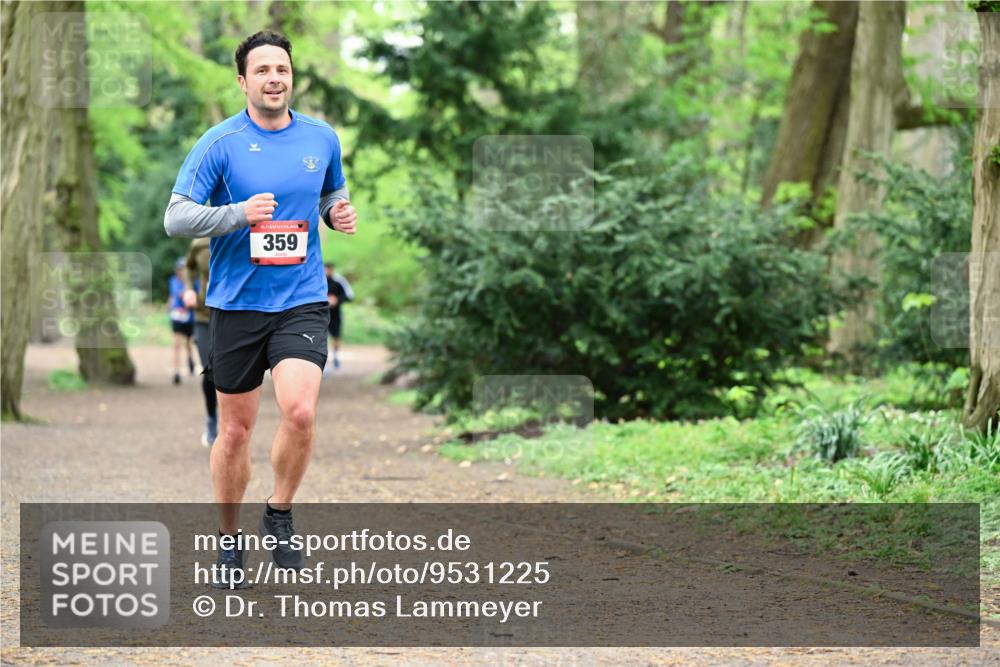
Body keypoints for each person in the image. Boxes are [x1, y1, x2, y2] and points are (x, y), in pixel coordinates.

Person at [163, 30, 357, 586]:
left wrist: (335, 213)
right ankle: (229, 540)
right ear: (243, 81)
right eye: (263, 70)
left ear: (291, 77)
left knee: (300, 412)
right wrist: (237, 213)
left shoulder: (322, 139)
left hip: (300, 298)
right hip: (237, 303)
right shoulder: (218, 143)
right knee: (236, 432)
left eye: (283, 70)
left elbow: (329, 194)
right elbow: (176, 218)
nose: (275, 78)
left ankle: (279, 511)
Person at [183, 237, 217, 447]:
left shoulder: (245, 232)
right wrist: (188, 289)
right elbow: (189, 267)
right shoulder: (201, 241)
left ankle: (235, 424)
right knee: (210, 370)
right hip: (204, 316)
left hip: (235, 314)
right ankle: (212, 418)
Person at [168, 259, 195, 385]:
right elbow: (174, 295)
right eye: (179, 269)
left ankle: (190, 359)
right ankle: (176, 371)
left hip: (189, 317)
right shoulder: (173, 281)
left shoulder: (193, 282)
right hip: (177, 316)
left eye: (183, 269)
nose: (181, 272)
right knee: (176, 343)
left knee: (188, 343)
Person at [323, 262, 353, 372]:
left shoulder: (339, 281)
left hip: (335, 314)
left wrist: (337, 300)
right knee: (322, 337)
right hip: (322, 314)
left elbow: (349, 296)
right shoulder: (319, 280)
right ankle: (323, 361)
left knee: (336, 336)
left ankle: (335, 356)